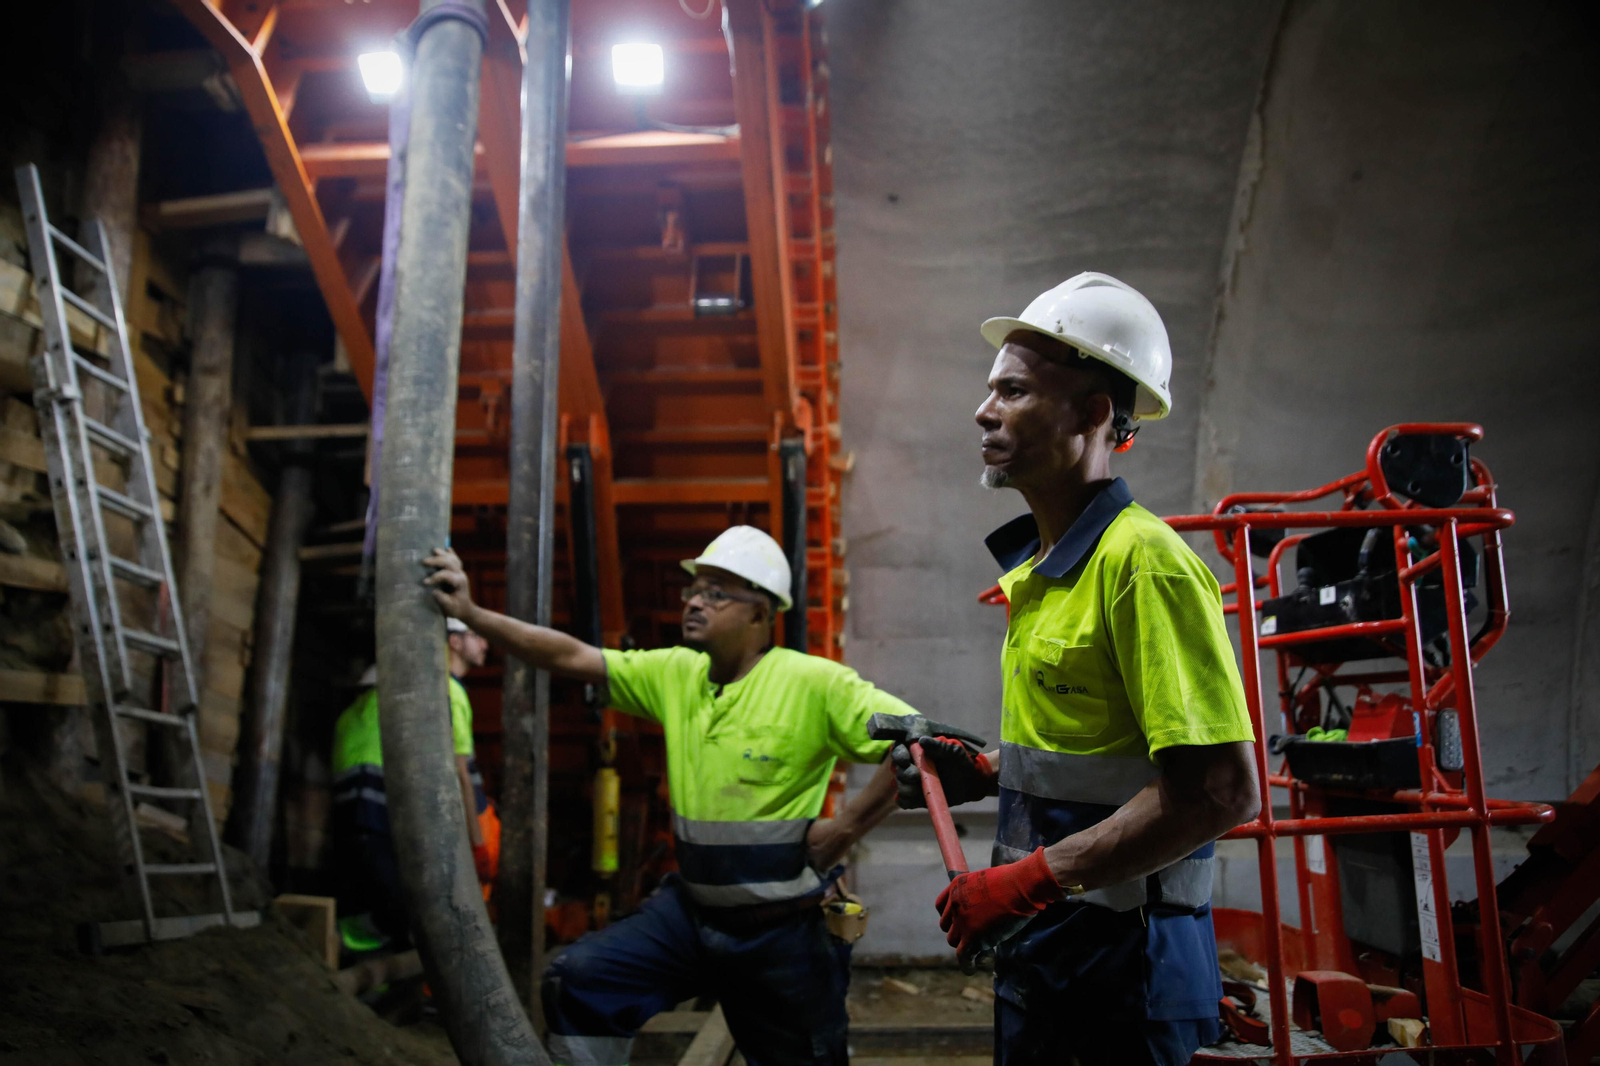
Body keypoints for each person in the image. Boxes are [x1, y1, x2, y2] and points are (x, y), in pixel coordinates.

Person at [888, 273, 1261, 1066]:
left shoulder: (1142, 565)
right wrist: (989, 770)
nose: (983, 411)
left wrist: (1024, 881)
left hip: (1129, 972)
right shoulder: (1046, 571)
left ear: (1093, 414)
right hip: (1051, 953)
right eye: (990, 390)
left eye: (1014, 392)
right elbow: (1097, 753)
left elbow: (1220, 792)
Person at [423, 525, 916, 1066]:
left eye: (716, 593)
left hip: (782, 933)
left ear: (760, 613)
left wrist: (846, 828)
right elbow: (571, 656)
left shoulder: (815, 683)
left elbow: (921, 744)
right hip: (693, 917)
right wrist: (471, 614)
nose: (695, 602)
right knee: (581, 981)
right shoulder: (677, 673)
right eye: (694, 590)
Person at [331, 620, 495, 948]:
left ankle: (354, 954)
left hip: (362, 811)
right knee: (405, 911)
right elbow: (459, 772)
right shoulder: (448, 693)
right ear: (455, 642)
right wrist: (477, 845)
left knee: (379, 902)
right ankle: (341, 944)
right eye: (477, 636)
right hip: (383, 812)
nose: (486, 645)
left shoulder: (356, 711)